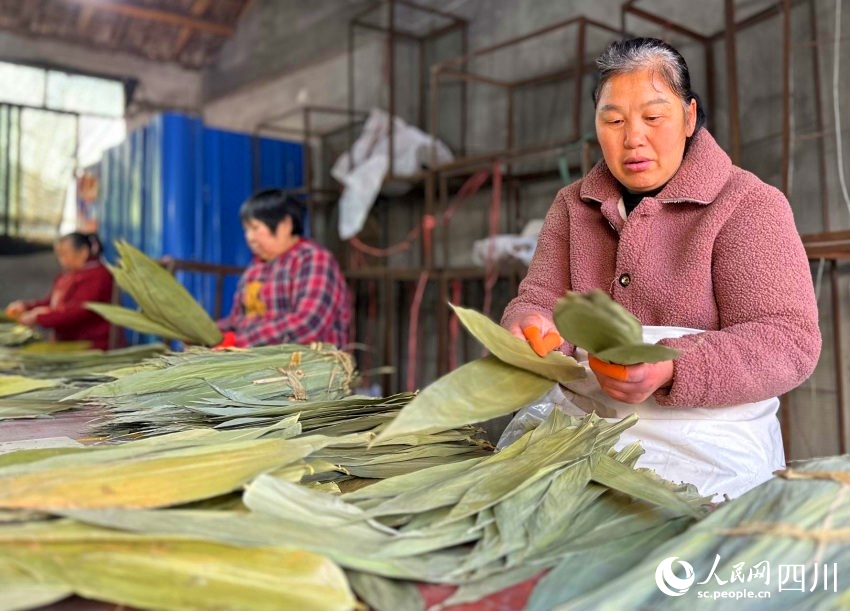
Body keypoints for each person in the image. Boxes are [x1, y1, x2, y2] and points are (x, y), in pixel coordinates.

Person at [501, 38, 821, 500]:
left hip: (708, 445)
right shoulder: (573, 205)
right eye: (613, 120)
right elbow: (541, 299)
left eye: (653, 117)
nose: (633, 137)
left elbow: (788, 340)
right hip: (581, 428)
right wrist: (530, 326)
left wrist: (670, 367)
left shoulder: (748, 204)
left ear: (689, 117)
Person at [217, 189, 351, 348]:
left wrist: (240, 342)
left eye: (255, 228)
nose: (250, 238)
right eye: (246, 230)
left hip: (305, 367)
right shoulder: (255, 268)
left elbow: (308, 323)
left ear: (285, 225)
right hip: (260, 362)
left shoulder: (313, 259)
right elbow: (238, 320)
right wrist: (211, 335)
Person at [5, 232, 116, 350]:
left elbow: (77, 312)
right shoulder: (68, 274)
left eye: (64, 254)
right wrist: (26, 307)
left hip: (88, 347)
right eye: (58, 255)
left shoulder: (98, 276)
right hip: (65, 343)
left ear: (83, 252)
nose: (60, 260)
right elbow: (51, 302)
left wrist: (38, 317)